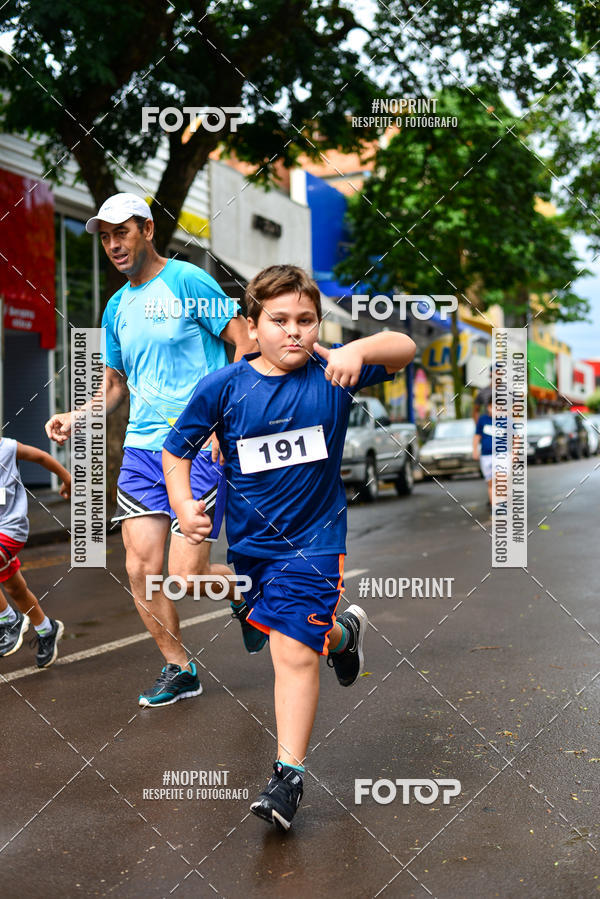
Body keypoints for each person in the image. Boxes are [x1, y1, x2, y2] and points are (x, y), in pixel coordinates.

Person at [163, 264, 416, 829]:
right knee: (297, 634)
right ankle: (344, 633)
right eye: (278, 320)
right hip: (252, 550)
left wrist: (358, 347)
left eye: (305, 319)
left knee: (291, 653)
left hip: (317, 540)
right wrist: (182, 505)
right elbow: (176, 452)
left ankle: (287, 778)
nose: (294, 331)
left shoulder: (333, 373)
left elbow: (404, 347)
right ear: (252, 326)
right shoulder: (224, 388)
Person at [46, 192, 255, 707]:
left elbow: (245, 338)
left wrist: (221, 419)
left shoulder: (188, 280)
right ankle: (179, 668)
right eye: (106, 236)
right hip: (142, 452)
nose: (114, 244)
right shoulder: (116, 306)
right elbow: (115, 386)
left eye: (123, 232)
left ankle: (247, 591)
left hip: (196, 448)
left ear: (147, 229)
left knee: (186, 579)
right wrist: (78, 415)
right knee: (140, 569)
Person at [0, 438, 71, 667]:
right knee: (16, 589)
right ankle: (46, 629)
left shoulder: (8, 449)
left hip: (11, 528)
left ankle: (9, 620)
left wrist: (67, 478)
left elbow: (40, 456)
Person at [473, 398, 495, 509]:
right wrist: (475, 450)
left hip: (502, 455)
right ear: (488, 407)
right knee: (491, 483)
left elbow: (515, 437)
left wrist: (514, 453)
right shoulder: (482, 420)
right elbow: (477, 436)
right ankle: (496, 508)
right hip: (486, 455)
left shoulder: (506, 420)